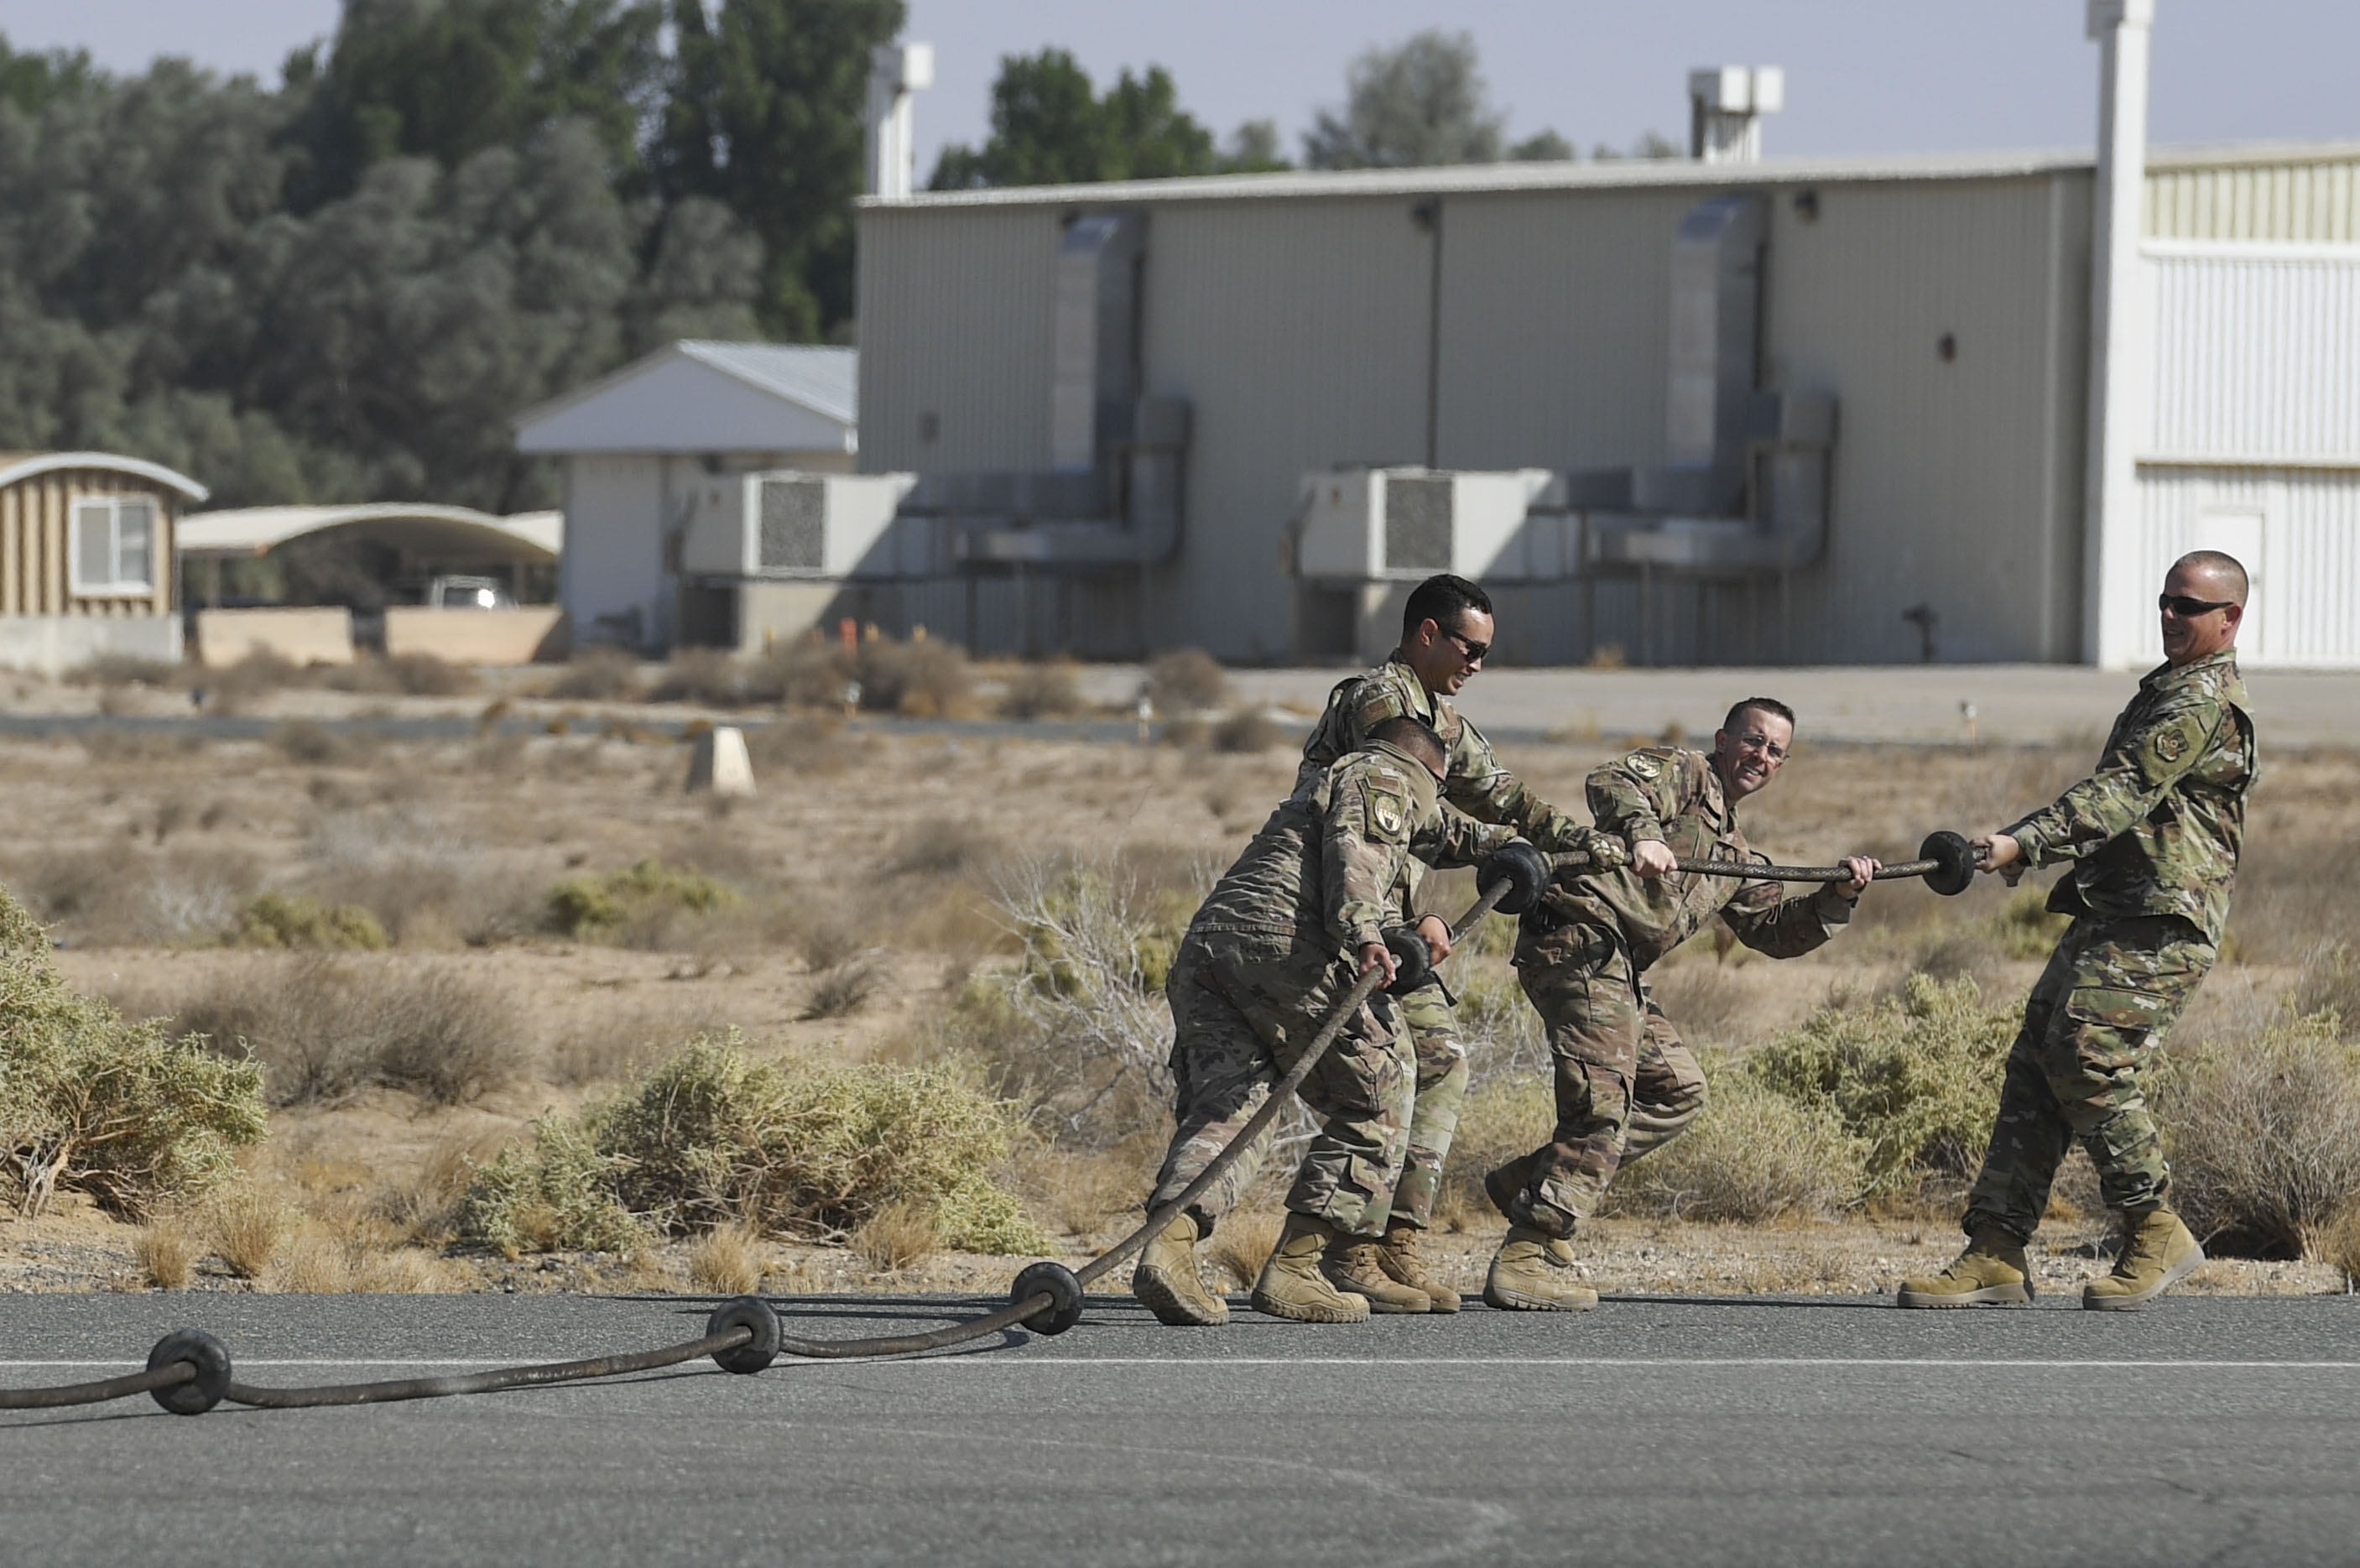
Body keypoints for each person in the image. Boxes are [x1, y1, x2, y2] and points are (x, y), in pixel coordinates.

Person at [1900, 551, 2256, 1310]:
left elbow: (2120, 792)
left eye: (2187, 606)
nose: (2168, 615)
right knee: (2037, 1057)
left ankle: (2152, 1225)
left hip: (2164, 916)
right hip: (2116, 905)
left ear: (2229, 619)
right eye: (2164, 600)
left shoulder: (2199, 703)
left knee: (2084, 1054)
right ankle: (1995, 1247)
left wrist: (2019, 842)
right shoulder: (2167, 689)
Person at [1133, 716, 1545, 1325]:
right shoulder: (1386, 775)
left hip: (1213, 947)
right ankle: (1297, 1268)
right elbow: (1358, 851)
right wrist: (1365, 935)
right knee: (1383, 1085)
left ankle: (1166, 1250)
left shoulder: (1329, 782)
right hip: (1287, 948)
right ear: (1430, 772)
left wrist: (1518, 851)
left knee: (1231, 1108)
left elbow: (1444, 834)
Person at [1483, 698, 1878, 1310]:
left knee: (1678, 1091)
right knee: (1602, 1103)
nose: (1761, 757)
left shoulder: (1735, 854)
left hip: (1619, 968)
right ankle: (1530, 1247)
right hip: (1579, 939)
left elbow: (1773, 929)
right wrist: (1643, 835)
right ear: (1723, 739)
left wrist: (1838, 894)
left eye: (1775, 751)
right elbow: (1610, 781)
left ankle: (1532, 1184)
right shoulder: (1685, 774)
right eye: (1752, 740)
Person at [1286, 573, 1607, 1312]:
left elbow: (1504, 797)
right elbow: (1389, 820)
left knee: (1442, 1062)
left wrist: (1592, 845)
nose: (1478, 665)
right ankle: (1344, 1249)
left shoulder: (1444, 723)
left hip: (1391, 914)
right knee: (1389, 1072)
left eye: (1487, 652)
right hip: (1333, 913)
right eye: (1470, 647)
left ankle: (1395, 1239)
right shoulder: (1378, 703)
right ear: (1426, 633)